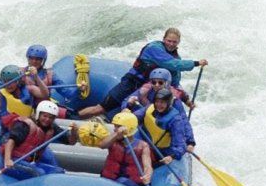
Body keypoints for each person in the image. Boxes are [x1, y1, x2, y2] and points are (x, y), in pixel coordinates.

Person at [78, 27, 208, 118]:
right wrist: (196, 63)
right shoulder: (154, 48)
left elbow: (174, 83)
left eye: (174, 42)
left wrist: (186, 100)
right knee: (100, 109)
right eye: (169, 41)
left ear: (178, 42)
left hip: (147, 88)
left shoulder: (175, 56)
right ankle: (75, 117)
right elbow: (172, 65)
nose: (171, 44)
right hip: (131, 82)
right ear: (163, 39)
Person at [123, 68, 197, 154]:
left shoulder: (174, 99)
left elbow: (184, 120)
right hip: (146, 123)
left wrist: (190, 142)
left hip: (163, 130)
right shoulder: (146, 90)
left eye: (160, 82)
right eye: (154, 82)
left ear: (167, 83)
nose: (157, 85)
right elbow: (126, 100)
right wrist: (127, 107)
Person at [0, 100, 78, 179]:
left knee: (58, 171)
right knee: (38, 173)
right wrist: (7, 160)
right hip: (15, 160)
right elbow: (11, 141)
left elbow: (71, 142)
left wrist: (74, 132)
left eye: (50, 117)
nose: (47, 119)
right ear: (38, 114)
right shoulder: (25, 124)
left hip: (30, 162)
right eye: (45, 116)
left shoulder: (52, 128)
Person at [132, 88, 187, 164]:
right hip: (141, 140)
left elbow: (180, 145)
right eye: (157, 101)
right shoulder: (150, 107)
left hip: (158, 150)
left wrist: (172, 156)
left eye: (162, 102)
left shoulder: (175, 120)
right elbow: (134, 117)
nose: (159, 105)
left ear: (169, 103)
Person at [99, 112, 153, 186]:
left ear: (128, 128)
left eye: (118, 126)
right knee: (120, 182)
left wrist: (147, 175)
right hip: (109, 182)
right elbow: (102, 145)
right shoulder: (112, 140)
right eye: (115, 126)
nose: (115, 129)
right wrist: (117, 133)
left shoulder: (143, 146)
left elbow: (147, 166)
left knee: (122, 181)